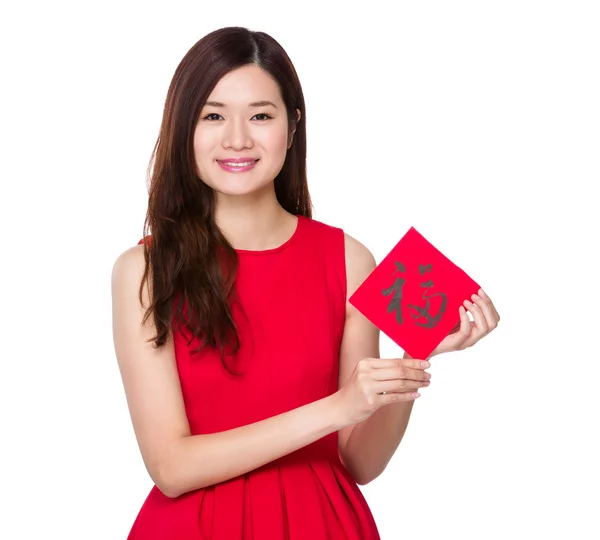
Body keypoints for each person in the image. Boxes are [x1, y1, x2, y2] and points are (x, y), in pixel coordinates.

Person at [111, 26, 500, 539]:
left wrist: (412, 357)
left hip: (322, 522)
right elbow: (170, 466)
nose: (237, 139)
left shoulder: (350, 259)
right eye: (212, 115)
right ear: (185, 128)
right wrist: (337, 407)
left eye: (260, 116)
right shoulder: (143, 269)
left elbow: (359, 462)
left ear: (292, 127)